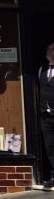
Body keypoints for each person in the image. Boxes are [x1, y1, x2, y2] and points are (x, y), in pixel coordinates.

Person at [38, 41, 54, 188]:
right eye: (48, 49)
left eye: (52, 49)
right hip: (46, 115)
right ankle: (53, 175)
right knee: (49, 146)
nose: (49, 51)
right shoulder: (41, 69)